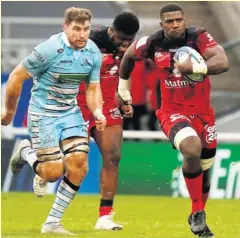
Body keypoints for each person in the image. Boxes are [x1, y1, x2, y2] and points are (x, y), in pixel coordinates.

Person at [17, 12, 140, 231]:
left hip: (107, 106)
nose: (125, 44)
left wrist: (122, 99)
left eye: (129, 40)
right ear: (112, 31)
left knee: (113, 156)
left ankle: (104, 216)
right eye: (122, 39)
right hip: (75, 106)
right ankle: (36, 161)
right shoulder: (88, 40)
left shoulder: (130, 49)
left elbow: (122, 74)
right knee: (62, 166)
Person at [117, 3, 228, 238]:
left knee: (204, 168)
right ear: (162, 24)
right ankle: (198, 213)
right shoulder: (152, 43)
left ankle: (198, 212)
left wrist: (196, 66)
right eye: (169, 21)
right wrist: (123, 89)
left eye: (178, 20)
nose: (175, 24)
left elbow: (222, 61)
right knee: (191, 149)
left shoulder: (198, 37)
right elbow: (128, 57)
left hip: (203, 113)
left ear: (184, 20)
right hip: (171, 111)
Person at [1, 7, 106, 235]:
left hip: (70, 113)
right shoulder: (49, 50)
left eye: (86, 29)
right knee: (52, 174)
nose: (82, 34)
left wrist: (97, 111)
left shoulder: (93, 52)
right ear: (65, 27)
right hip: (43, 114)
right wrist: (9, 111)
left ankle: (52, 223)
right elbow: (16, 77)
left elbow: (93, 87)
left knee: (79, 165)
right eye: (76, 29)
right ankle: (25, 151)